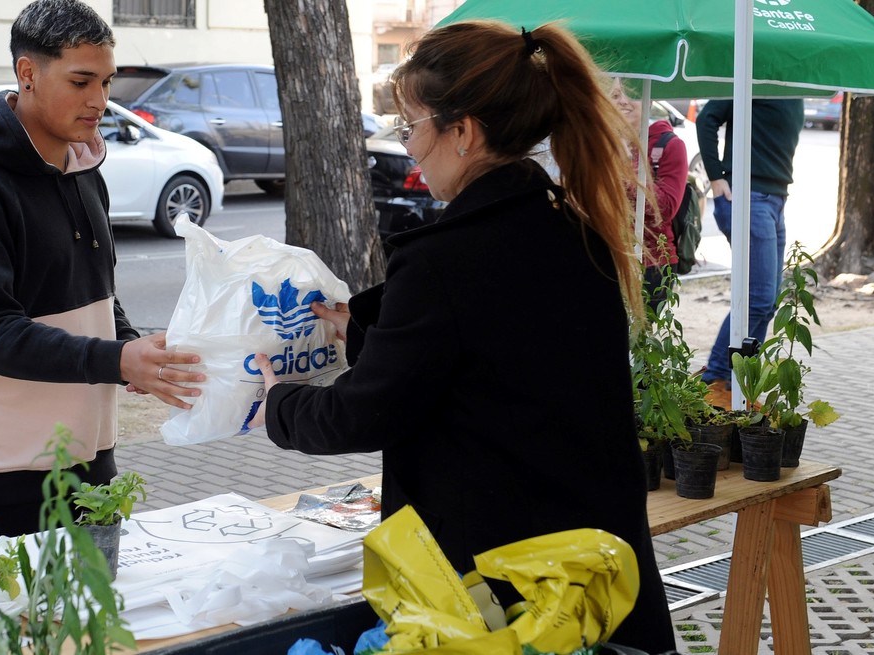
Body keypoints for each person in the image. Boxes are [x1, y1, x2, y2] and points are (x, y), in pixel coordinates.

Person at [248, 21, 676, 652]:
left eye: (412, 127)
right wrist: (362, 324)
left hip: (507, 592)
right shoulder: (571, 225)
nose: (411, 148)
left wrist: (280, 400)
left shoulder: (446, 259)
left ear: (464, 132)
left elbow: (364, 413)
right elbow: (485, 362)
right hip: (596, 567)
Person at [0, 0, 202, 536]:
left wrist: (136, 349)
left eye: (107, 83)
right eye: (82, 81)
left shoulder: (84, 168)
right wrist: (115, 360)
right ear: (28, 74)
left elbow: (94, 295)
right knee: (22, 622)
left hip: (87, 454)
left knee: (91, 619)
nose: (100, 101)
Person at [695, 99, 804, 406]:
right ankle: (716, 380)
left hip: (774, 199)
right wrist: (715, 177)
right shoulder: (754, 68)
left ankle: (739, 384)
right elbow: (706, 119)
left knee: (767, 303)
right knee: (757, 299)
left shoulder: (791, 76)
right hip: (748, 196)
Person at [609, 79, 688, 312]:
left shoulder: (669, 145)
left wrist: (624, 167)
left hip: (653, 262)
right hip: (609, 258)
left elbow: (664, 209)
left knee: (642, 341)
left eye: (631, 94)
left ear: (649, 102)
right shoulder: (599, 144)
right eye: (615, 95)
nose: (623, 100)